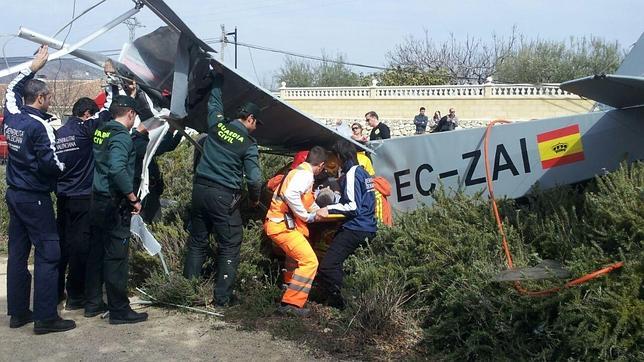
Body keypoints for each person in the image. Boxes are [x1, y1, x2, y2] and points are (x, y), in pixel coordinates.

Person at [3, 45, 76, 334]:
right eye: (49, 97)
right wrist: (64, 170)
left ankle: (19, 312)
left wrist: (33, 66)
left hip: (14, 193)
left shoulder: (11, 114)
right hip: (34, 197)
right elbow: (52, 163)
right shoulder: (39, 126)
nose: (51, 100)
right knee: (49, 252)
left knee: (18, 253)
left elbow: (11, 89)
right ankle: (46, 317)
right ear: (41, 98)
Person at [183, 65, 263, 307]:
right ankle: (222, 299)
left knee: (197, 241)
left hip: (200, 191)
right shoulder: (248, 144)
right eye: (256, 123)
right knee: (230, 244)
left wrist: (217, 81)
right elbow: (254, 178)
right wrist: (255, 198)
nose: (256, 128)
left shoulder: (217, 125)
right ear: (250, 119)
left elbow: (214, 105)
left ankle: (188, 293)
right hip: (222, 196)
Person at [55, 76, 118, 311]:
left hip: (63, 196)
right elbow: (106, 112)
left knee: (63, 243)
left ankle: (55, 292)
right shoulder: (85, 130)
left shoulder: (59, 133)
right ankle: (76, 295)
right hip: (82, 197)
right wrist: (112, 83)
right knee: (81, 246)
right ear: (85, 114)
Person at [86, 94, 147, 324]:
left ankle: (92, 303)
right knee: (116, 257)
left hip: (98, 198)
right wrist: (133, 198)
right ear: (130, 114)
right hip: (114, 202)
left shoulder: (102, 129)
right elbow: (118, 170)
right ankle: (119, 310)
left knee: (96, 252)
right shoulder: (122, 137)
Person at [264, 146, 327, 316]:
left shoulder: (298, 172)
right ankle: (292, 304)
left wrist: (321, 211)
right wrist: (307, 217)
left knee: (294, 261)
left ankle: (289, 291)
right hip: (282, 227)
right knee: (310, 262)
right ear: (320, 165)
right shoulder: (305, 175)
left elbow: (305, 200)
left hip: (281, 225)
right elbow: (291, 195)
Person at [315, 140, 377, 309]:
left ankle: (343, 304)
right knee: (345, 266)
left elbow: (352, 206)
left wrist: (328, 209)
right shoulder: (364, 173)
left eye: (334, 157)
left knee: (328, 266)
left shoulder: (351, 174)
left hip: (356, 227)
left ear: (340, 156)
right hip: (368, 226)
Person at [132, 122, 183, 223]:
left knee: (155, 220)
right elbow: (160, 148)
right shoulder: (137, 143)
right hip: (141, 192)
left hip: (152, 191)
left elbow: (169, 146)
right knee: (143, 222)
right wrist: (171, 130)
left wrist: (179, 132)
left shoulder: (143, 141)